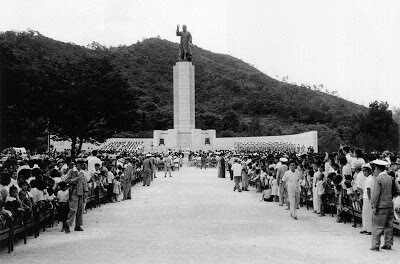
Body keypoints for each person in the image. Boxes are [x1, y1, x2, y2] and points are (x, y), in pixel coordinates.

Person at [370, 160, 394, 251]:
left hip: (380, 206)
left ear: (376, 168)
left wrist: (374, 206)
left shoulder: (378, 179)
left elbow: (375, 195)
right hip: (389, 204)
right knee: (389, 225)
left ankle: (376, 245)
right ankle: (388, 244)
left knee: (377, 226)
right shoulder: (390, 178)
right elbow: (397, 190)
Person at [64, 158, 88, 233]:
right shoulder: (71, 171)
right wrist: (75, 179)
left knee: (79, 210)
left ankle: (78, 225)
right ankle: (67, 225)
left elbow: (84, 182)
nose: (81, 165)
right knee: (73, 210)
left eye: (82, 164)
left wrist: (86, 190)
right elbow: (66, 181)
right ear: (77, 164)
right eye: (80, 164)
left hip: (80, 192)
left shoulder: (82, 172)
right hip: (74, 192)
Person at [360, 163, 373, 235]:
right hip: (365, 197)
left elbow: (369, 190)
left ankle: (369, 229)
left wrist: (370, 199)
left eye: (365, 171)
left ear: (369, 171)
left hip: (368, 198)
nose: (364, 172)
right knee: (365, 213)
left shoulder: (370, 179)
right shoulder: (367, 179)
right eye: (363, 171)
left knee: (368, 214)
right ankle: (365, 228)